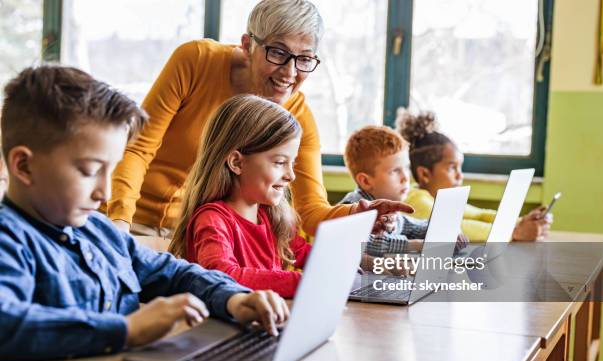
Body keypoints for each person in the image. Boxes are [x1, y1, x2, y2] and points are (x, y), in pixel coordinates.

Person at [0, 66, 288, 361]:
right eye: (89, 171)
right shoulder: (8, 241)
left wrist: (234, 299)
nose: (106, 193)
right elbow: (6, 323)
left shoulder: (99, 230)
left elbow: (174, 273)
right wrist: (125, 330)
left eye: (111, 171)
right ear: (23, 166)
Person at [104, 0, 411, 238]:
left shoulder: (299, 118)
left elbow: (311, 211)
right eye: (277, 53)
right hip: (135, 223)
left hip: (201, 237)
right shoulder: (196, 61)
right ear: (247, 44)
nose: (289, 73)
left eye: (304, 59)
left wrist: (357, 214)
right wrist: (119, 222)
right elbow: (137, 148)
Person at [169, 95, 311, 298]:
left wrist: (354, 261)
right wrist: (300, 283)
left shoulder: (271, 217)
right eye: (280, 162)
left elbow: (306, 253)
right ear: (236, 162)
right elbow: (222, 275)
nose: (291, 175)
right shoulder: (212, 219)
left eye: (292, 163)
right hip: (223, 327)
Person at [396, 110, 551, 242]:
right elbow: (455, 228)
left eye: (460, 167)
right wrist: (515, 232)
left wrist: (521, 221)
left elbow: (479, 215)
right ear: (425, 174)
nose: (459, 176)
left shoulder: (441, 200)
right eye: (452, 168)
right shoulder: (416, 201)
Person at [340, 125, 428, 257]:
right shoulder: (352, 207)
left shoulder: (391, 209)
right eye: (395, 171)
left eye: (406, 168)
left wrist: (446, 231)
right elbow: (368, 244)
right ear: (366, 181)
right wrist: (416, 245)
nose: (405, 178)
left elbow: (415, 227)